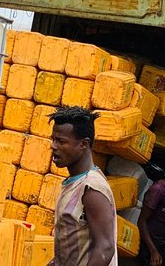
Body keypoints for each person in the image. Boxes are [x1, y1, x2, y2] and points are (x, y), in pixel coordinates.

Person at [48, 107, 117, 266]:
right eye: (53, 139)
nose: (53, 146)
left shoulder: (92, 188)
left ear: (83, 144)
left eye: (61, 141)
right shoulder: (74, 183)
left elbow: (105, 249)